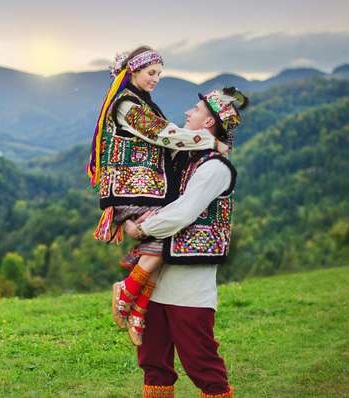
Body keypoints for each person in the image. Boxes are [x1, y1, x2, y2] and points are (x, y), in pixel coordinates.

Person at [86, 46, 228, 345]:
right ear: (133, 71)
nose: (156, 79)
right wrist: (209, 141)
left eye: (159, 74)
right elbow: (164, 134)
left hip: (145, 188)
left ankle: (137, 305)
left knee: (164, 240)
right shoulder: (127, 105)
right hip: (131, 189)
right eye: (151, 73)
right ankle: (129, 293)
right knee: (164, 239)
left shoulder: (139, 102)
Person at [124, 87, 248, 398]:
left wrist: (142, 229)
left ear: (209, 124)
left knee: (201, 363)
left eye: (195, 110)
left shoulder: (215, 168)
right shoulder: (185, 161)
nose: (188, 113)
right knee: (153, 361)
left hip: (190, 284)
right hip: (159, 279)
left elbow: (183, 212)